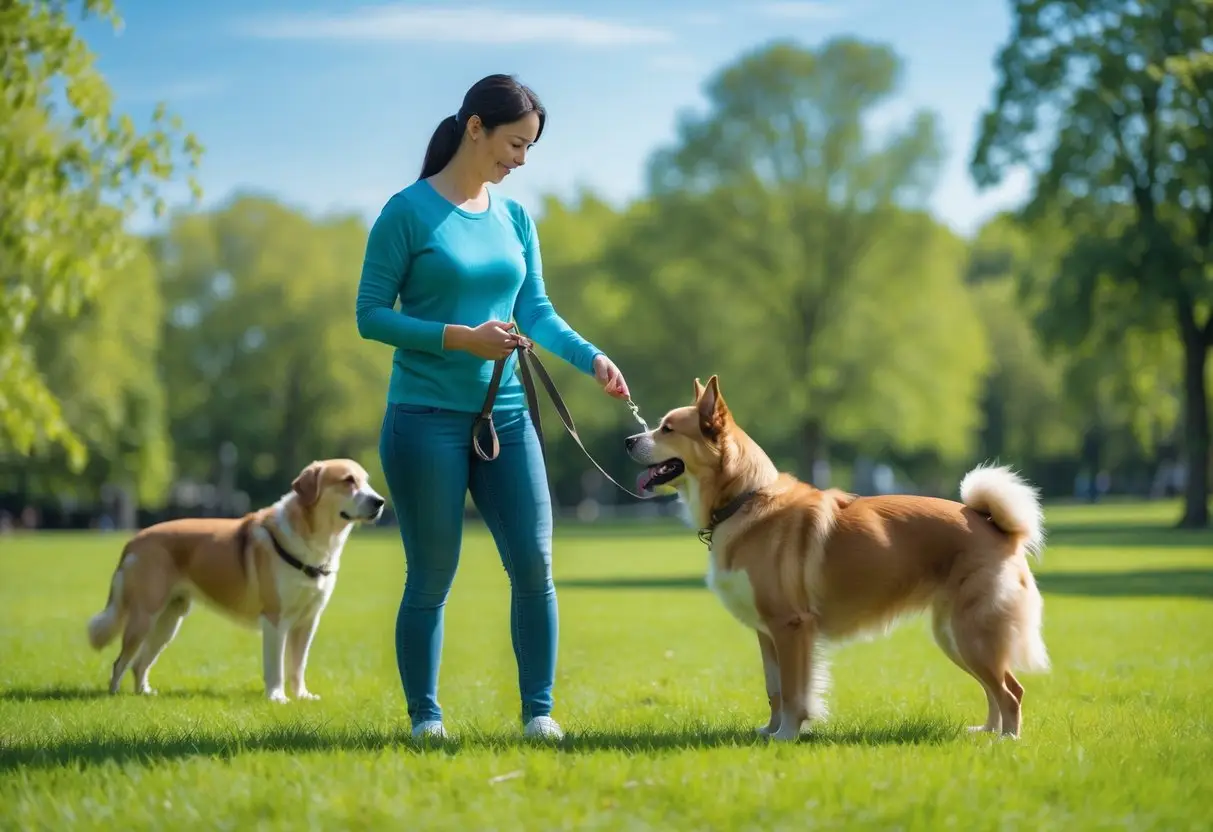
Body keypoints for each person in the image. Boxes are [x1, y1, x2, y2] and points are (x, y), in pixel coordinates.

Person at [355, 74, 631, 743]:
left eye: (530, 148)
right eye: (515, 143)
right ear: (474, 128)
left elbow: (533, 309)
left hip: (507, 416)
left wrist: (589, 357)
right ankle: (426, 720)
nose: (521, 160)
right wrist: (461, 338)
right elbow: (370, 317)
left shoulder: (513, 218)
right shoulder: (406, 213)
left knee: (534, 566)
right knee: (431, 575)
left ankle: (538, 713)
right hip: (423, 419)